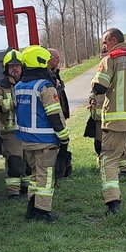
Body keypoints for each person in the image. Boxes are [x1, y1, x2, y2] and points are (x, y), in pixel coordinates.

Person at [91, 28, 126, 214]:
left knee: (109, 159)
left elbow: (99, 87)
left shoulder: (111, 58)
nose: (104, 46)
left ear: (113, 40)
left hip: (116, 121)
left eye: (105, 42)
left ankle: (113, 203)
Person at [15, 45, 70, 222]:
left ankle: (31, 207)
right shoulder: (45, 87)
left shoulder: (19, 86)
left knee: (34, 175)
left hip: (27, 141)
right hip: (45, 141)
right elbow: (55, 115)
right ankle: (43, 211)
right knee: (46, 177)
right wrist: (64, 137)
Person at [0, 49, 29, 199]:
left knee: (27, 161)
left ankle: (25, 187)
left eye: (17, 66)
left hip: (26, 129)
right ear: (6, 68)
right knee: (14, 161)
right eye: (11, 66)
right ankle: (13, 192)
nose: (15, 69)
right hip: (10, 130)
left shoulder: (27, 82)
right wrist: (16, 101)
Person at [46, 47, 73, 179]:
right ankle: (56, 170)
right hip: (53, 114)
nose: (59, 60)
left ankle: (61, 168)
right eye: (56, 58)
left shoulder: (55, 72)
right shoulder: (47, 74)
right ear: (48, 59)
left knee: (61, 141)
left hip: (60, 111)